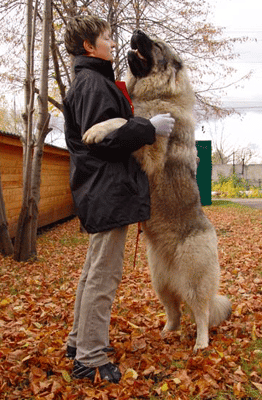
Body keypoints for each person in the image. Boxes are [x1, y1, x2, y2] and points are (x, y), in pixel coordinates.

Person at [63, 15, 175, 384]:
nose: (112, 43)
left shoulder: (91, 81)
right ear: (89, 47)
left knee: (92, 272)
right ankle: (90, 359)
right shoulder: (94, 84)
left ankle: (78, 342)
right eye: (106, 38)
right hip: (107, 191)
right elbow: (107, 139)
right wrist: (148, 128)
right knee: (103, 277)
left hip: (102, 191)